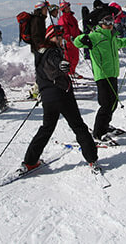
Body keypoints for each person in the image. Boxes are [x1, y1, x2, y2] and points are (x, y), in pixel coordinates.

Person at [21, 25, 99, 173]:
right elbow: (55, 62)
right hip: (62, 95)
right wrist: (61, 64)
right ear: (50, 37)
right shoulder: (52, 52)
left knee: (46, 128)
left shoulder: (39, 52)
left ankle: (30, 161)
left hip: (48, 98)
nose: (60, 39)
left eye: (61, 36)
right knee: (78, 126)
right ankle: (92, 159)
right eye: (57, 37)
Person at [74, 14, 126, 140]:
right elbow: (77, 42)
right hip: (102, 75)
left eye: (111, 22)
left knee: (113, 103)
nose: (110, 25)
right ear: (100, 23)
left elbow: (119, 43)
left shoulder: (112, 36)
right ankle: (98, 133)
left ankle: (105, 125)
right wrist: (83, 38)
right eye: (107, 23)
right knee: (106, 104)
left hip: (113, 73)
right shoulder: (95, 36)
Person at [58, 1, 82, 78]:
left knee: (76, 58)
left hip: (75, 41)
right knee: (69, 58)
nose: (68, 8)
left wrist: (80, 34)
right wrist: (68, 37)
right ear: (63, 9)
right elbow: (63, 31)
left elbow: (76, 28)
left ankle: (72, 72)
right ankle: (68, 74)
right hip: (68, 42)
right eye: (66, 7)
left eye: (68, 6)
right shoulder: (62, 19)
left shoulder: (72, 17)